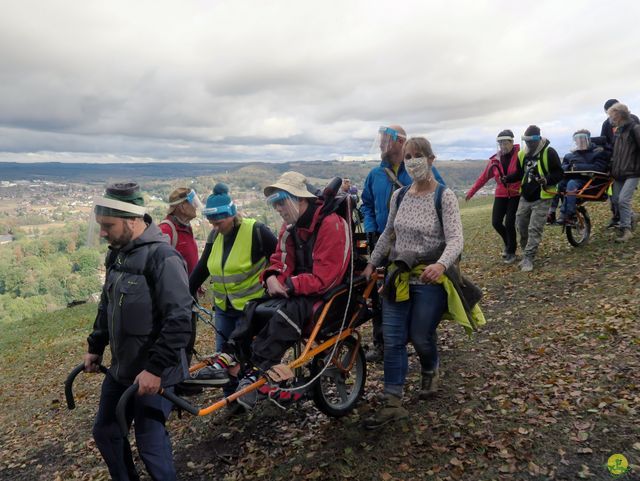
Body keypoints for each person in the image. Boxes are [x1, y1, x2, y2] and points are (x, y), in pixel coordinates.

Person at [188, 172, 352, 410]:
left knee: (284, 315)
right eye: (275, 204)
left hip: (322, 292)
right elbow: (280, 259)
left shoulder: (331, 225)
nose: (278, 209)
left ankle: (259, 369)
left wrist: (289, 284)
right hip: (297, 288)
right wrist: (273, 277)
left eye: (281, 202)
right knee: (254, 306)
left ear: (300, 199)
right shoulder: (291, 227)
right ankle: (232, 354)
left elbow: (326, 277)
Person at [83, 182, 192, 481]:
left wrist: (155, 369)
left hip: (156, 372)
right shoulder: (116, 255)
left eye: (108, 225)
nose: (103, 232)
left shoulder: (163, 259)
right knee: (106, 432)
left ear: (132, 220)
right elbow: (107, 305)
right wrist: (96, 345)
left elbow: (180, 319)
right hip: (122, 369)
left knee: (150, 442)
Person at [361, 137, 464, 429]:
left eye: (418, 155)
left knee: (420, 336)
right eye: (408, 157)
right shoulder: (400, 195)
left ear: (431, 159)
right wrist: (372, 262)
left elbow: (456, 238)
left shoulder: (444, 196)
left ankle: (430, 368)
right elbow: (388, 233)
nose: (413, 161)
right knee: (393, 340)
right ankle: (393, 402)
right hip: (399, 276)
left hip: (429, 279)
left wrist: (441, 264)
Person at [360, 125, 445, 362]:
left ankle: (425, 338)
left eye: (385, 140)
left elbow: (439, 197)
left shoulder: (419, 169)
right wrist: (370, 228)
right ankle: (383, 343)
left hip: (414, 246)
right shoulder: (375, 174)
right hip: (382, 239)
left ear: (399, 141)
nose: (381, 144)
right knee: (382, 294)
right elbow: (365, 203)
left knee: (419, 291)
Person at [187, 183, 277, 391]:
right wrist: (186, 290)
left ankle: (251, 394)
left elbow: (279, 258)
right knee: (223, 359)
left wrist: (272, 282)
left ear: (231, 214)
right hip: (224, 309)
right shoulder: (215, 235)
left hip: (252, 309)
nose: (216, 227)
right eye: (212, 223)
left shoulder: (256, 231)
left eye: (219, 222)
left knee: (248, 356)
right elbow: (203, 267)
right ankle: (231, 400)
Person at [503, 125, 563, 272]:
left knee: (534, 228)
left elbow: (559, 173)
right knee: (521, 226)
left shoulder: (549, 152)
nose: (529, 144)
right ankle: (526, 252)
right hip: (526, 196)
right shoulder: (523, 154)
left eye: (531, 141)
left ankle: (529, 258)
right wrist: (507, 178)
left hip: (543, 196)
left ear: (538, 139)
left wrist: (547, 180)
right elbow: (519, 173)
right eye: (526, 141)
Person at [465, 129, 521, 264]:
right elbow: (483, 178)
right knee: (496, 222)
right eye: (500, 143)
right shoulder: (495, 160)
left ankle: (511, 252)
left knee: (509, 222)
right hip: (501, 194)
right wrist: (471, 192)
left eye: (505, 143)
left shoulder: (520, 155)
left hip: (515, 193)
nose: (503, 146)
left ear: (512, 142)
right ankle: (509, 244)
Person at [547, 130, 610, 225]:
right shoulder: (570, 156)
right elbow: (561, 168)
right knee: (558, 184)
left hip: (590, 183)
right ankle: (551, 213)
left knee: (571, 184)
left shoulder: (597, 153)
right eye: (577, 139)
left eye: (582, 139)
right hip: (573, 181)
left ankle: (568, 215)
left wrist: (577, 167)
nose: (580, 141)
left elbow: (599, 167)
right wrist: (568, 167)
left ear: (588, 140)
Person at [600, 99, 639, 228]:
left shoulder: (635, 127)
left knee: (623, 200)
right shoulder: (616, 131)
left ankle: (626, 228)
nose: (610, 120)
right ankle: (630, 217)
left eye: (612, 116)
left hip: (632, 171)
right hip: (618, 171)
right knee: (616, 199)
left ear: (619, 115)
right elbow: (612, 150)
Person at [159, 187, 202, 275]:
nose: (196, 207)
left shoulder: (185, 227)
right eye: (192, 203)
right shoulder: (165, 230)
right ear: (182, 207)